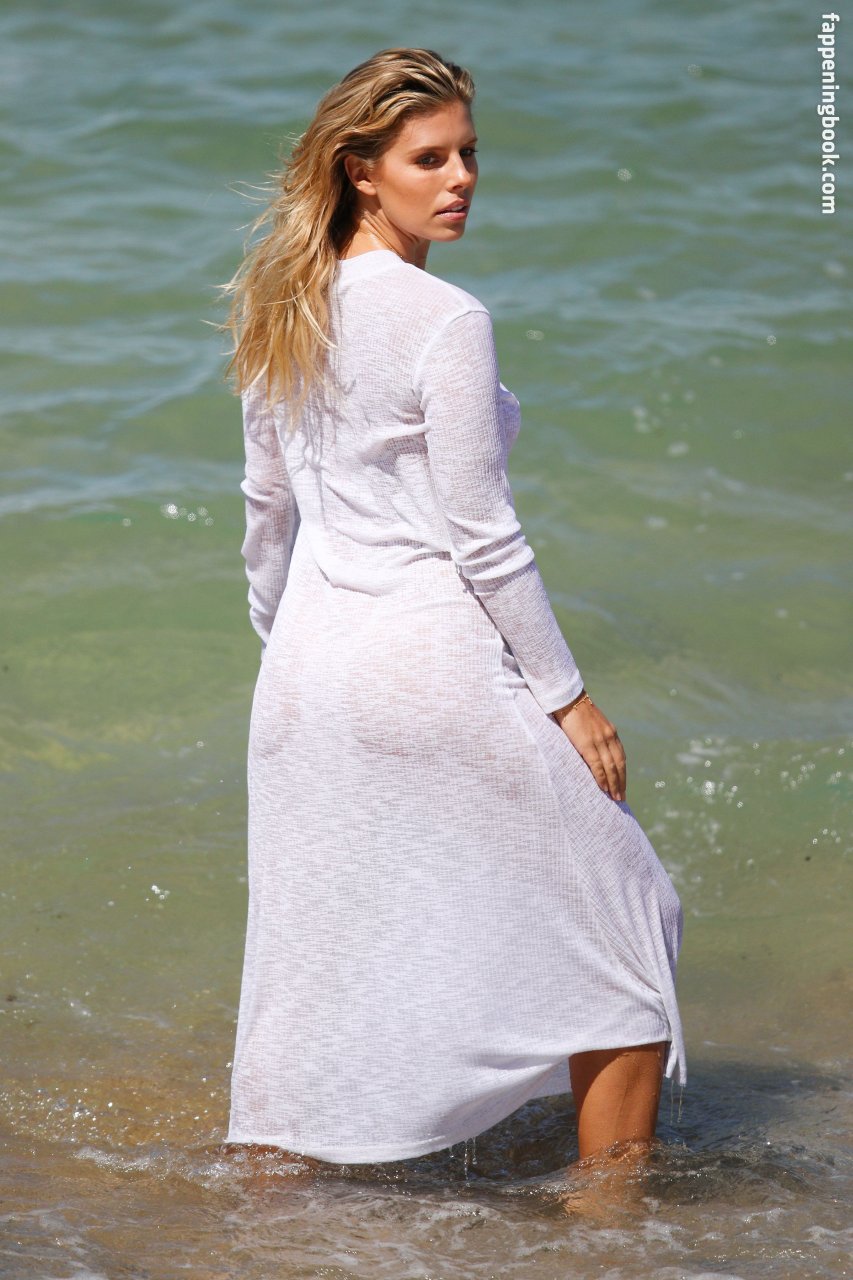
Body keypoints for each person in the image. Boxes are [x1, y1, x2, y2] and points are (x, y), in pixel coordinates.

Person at [219, 47, 685, 1174]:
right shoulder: (444, 318)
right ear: (360, 171)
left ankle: (259, 1213)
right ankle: (606, 1228)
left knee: (316, 959)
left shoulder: (280, 306)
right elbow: (482, 532)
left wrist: (294, 655)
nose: (462, 177)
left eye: (468, 152)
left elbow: (267, 514)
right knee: (629, 924)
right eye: (429, 158)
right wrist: (567, 697)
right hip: (429, 659)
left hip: (307, 675)